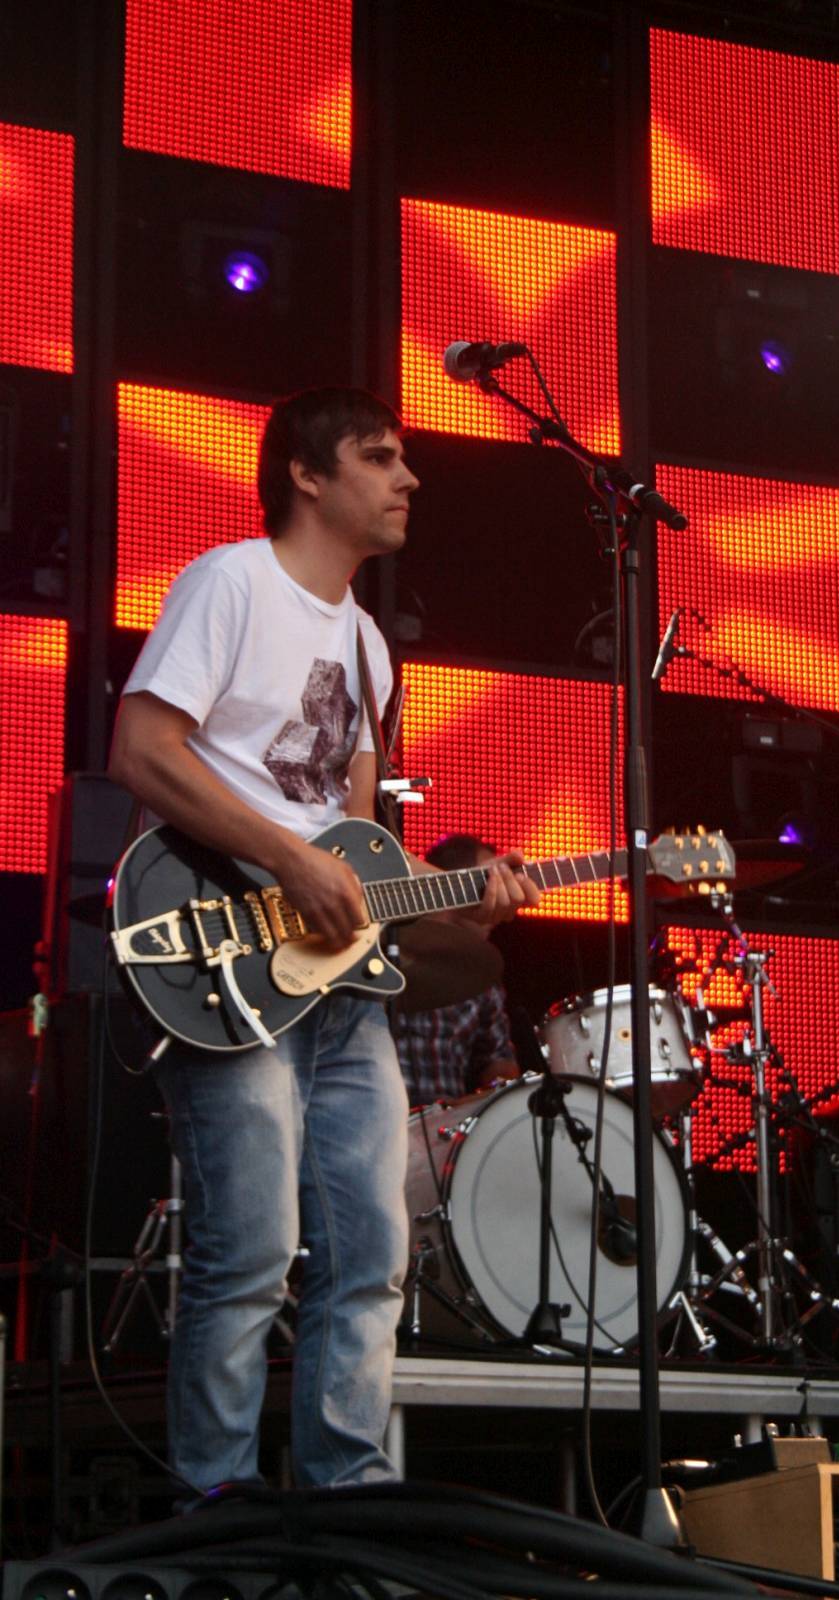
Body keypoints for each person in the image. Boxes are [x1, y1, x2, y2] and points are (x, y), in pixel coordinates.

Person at [107, 386, 540, 1495]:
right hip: (226, 952)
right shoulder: (231, 582)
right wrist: (287, 860)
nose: (409, 478)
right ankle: (215, 1502)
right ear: (306, 473)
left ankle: (346, 1491)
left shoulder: (367, 647)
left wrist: (463, 900)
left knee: (373, 1257)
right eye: (380, 457)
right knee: (249, 1252)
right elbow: (142, 751)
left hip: (340, 987)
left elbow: (358, 851)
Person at [393, 833, 523, 1107]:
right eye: (485, 886)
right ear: (454, 886)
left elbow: (498, 1061)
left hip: (446, 1125)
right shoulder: (384, 948)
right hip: (373, 1113)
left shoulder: (483, 978)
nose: (494, 898)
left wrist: (497, 1094)